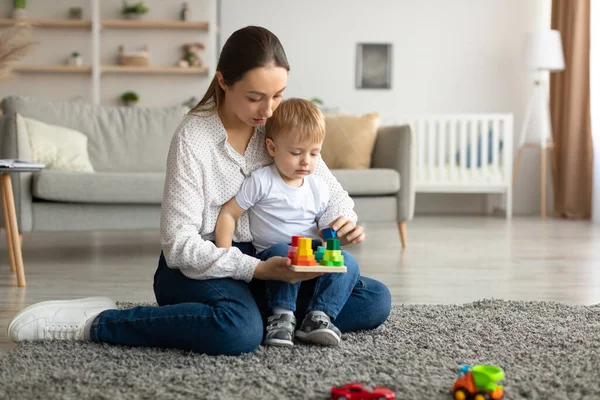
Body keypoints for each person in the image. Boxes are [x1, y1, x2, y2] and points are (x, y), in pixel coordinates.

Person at [8, 26, 391, 356]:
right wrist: (256, 269)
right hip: (197, 267)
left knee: (374, 299)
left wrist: (345, 223)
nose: (269, 109)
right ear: (224, 81)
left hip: (270, 263)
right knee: (238, 331)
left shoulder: (276, 129)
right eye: (255, 97)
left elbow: (330, 192)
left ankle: (273, 315)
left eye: (277, 95)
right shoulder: (193, 137)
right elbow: (178, 246)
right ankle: (99, 321)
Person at [215, 98, 361, 348]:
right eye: (296, 153)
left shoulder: (318, 186)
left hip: (310, 252)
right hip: (275, 254)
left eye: (314, 153)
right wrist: (227, 256)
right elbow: (229, 214)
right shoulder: (262, 180)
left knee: (349, 262)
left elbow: (325, 228)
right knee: (285, 253)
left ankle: (318, 317)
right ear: (272, 148)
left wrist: (340, 236)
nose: (306, 161)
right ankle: (282, 316)